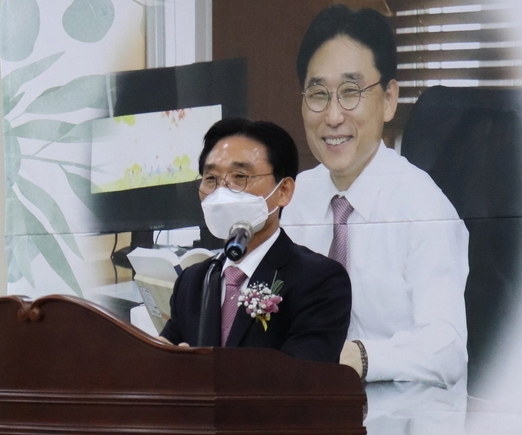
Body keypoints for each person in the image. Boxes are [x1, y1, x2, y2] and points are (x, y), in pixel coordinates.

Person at [281, 5, 469, 389]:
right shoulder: (297, 198)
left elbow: (448, 349)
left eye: (351, 92)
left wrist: (362, 357)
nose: (333, 116)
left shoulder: (424, 209)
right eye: (318, 94)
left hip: (401, 411)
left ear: (388, 99)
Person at [160, 117, 352, 363]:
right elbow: (167, 353)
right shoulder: (194, 281)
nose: (222, 192)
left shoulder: (318, 280)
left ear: (283, 191)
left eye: (240, 176)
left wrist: (198, 373)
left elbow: (303, 376)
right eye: (211, 179)